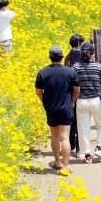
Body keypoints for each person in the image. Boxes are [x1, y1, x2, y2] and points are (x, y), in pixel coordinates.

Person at [34, 46, 80, 176]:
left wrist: (45, 102)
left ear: (50, 57)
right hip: (66, 108)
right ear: (62, 57)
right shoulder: (70, 72)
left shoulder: (43, 72)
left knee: (54, 136)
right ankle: (65, 166)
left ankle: (57, 162)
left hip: (51, 108)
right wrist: (73, 101)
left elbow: (38, 91)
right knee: (64, 137)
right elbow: (77, 89)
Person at [73, 43, 101, 164]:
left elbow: (72, 84)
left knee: (83, 128)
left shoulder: (75, 67)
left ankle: (87, 155)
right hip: (96, 100)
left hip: (81, 101)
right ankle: (99, 147)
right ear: (92, 53)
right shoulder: (98, 66)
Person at [65, 34, 85, 157]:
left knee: (72, 120)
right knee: (79, 121)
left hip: (70, 90)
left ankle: (72, 145)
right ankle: (78, 148)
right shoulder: (77, 52)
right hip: (78, 90)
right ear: (78, 42)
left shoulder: (68, 55)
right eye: (81, 42)